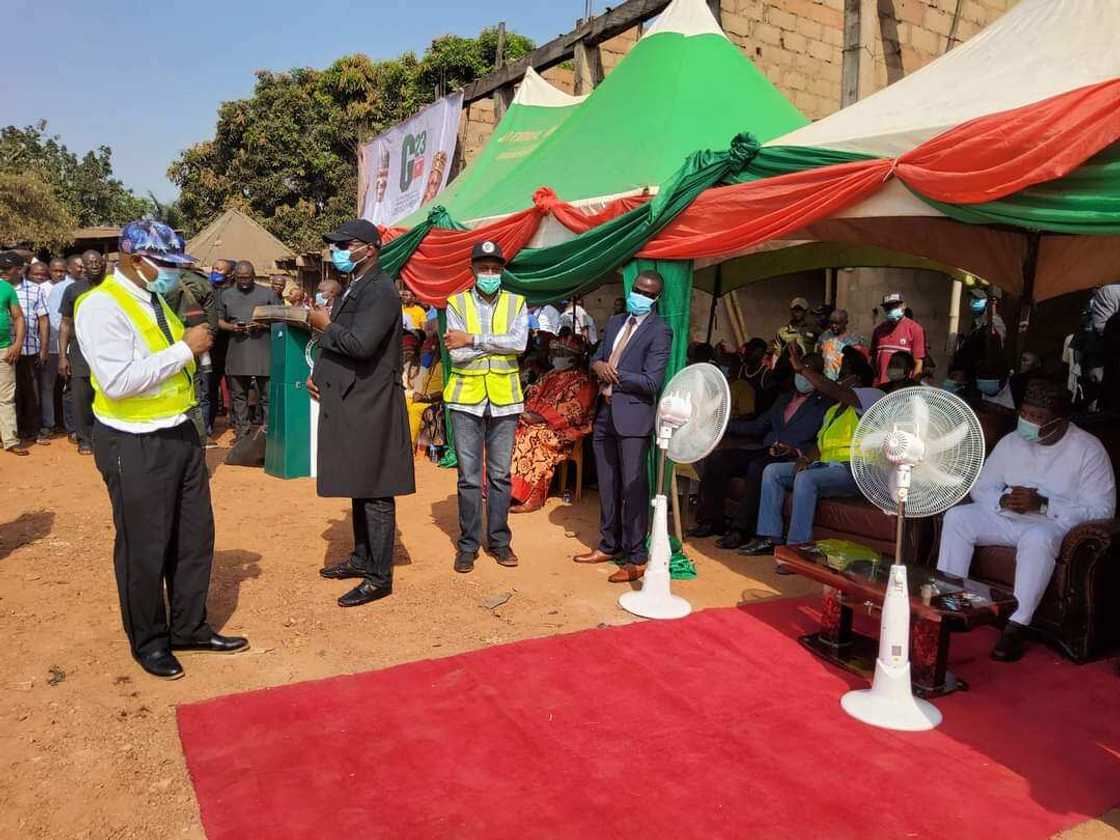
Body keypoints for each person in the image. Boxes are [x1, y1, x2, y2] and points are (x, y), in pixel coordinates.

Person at [74, 220, 248, 680]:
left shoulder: (154, 301)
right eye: (167, 264)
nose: (174, 273)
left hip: (179, 433)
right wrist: (186, 351)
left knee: (193, 539)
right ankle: (148, 640)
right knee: (144, 547)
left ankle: (189, 626)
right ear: (136, 260)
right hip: (133, 440)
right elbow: (118, 380)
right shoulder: (101, 307)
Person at [937, 380, 1116, 662]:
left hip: (1049, 525)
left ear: (1060, 421)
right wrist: (1001, 500)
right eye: (1025, 414)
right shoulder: (1011, 442)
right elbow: (981, 486)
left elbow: (1103, 509)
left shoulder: (1088, 450)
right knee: (958, 517)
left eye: (1037, 418)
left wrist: (1045, 505)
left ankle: (1016, 626)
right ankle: (952, 604)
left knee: (1037, 539)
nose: (1027, 422)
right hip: (1005, 517)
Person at [308, 219, 415, 607]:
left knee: (376, 489)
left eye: (344, 244)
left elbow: (361, 344)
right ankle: (361, 556)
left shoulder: (381, 290)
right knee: (358, 481)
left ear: (368, 248)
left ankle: (378, 576)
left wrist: (325, 324)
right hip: (352, 398)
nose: (337, 251)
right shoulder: (356, 286)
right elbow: (339, 347)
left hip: (372, 402)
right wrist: (318, 374)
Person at [741, 344, 884, 560]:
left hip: (855, 470)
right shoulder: (835, 409)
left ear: (855, 379)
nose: (837, 379)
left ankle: (797, 549)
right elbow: (820, 444)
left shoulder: (872, 397)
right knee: (772, 471)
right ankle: (769, 538)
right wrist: (805, 458)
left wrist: (801, 369)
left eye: (843, 374)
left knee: (806, 479)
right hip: (827, 467)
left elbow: (833, 389)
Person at [575, 271, 672, 583]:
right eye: (636, 289)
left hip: (633, 419)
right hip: (604, 414)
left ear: (656, 299)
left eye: (646, 293)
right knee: (607, 484)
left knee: (633, 489)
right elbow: (597, 357)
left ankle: (636, 557)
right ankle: (608, 544)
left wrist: (615, 374)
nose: (639, 296)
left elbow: (651, 381)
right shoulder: (617, 322)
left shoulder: (660, 331)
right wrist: (597, 365)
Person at [442, 240, 529, 573]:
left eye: (495, 269)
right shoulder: (456, 304)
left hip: (505, 400)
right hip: (465, 399)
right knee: (468, 477)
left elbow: (519, 344)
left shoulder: (517, 302)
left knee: (499, 476)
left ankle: (499, 542)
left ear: (502, 271)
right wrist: (495, 345)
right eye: (484, 269)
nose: (490, 274)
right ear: (473, 271)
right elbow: (456, 353)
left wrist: (474, 340)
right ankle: (467, 545)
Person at [691, 353, 835, 548]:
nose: (803, 375)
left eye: (809, 370)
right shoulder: (784, 400)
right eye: (801, 369)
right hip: (767, 448)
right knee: (719, 459)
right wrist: (721, 424)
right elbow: (758, 426)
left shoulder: (824, 405)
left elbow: (821, 439)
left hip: (792, 456)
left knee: (757, 468)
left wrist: (797, 452)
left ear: (817, 376)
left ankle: (740, 531)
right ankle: (711, 521)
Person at [509, 335, 597, 513]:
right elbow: (533, 396)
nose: (554, 357)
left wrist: (541, 417)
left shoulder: (584, 382)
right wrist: (528, 413)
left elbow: (574, 411)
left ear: (573, 358)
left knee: (533, 437)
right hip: (536, 421)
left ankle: (533, 496)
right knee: (509, 430)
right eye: (554, 353)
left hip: (564, 429)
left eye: (559, 353)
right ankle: (507, 490)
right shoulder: (550, 376)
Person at [219, 261, 280, 442]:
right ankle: (242, 434)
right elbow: (219, 321)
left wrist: (264, 324)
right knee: (239, 397)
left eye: (247, 278)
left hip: (264, 351)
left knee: (267, 396)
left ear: (254, 275)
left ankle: (269, 434)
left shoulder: (268, 293)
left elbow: (280, 318)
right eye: (240, 278)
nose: (244, 281)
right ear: (234, 276)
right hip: (237, 350)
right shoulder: (226, 295)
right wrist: (232, 327)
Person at [58, 251, 107, 454]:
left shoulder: (112, 288)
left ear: (103, 264)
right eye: (89, 262)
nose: (94, 265)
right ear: (82, 266)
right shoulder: (73, 290)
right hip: (80, 351)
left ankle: (104, 438)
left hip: (108, 350)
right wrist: (62, 356)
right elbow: (65, 324)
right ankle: (84, 439)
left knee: (106, 394)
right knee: (81, 396)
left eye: (97, 261)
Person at [166, 264, 220, 442]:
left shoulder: (153, 281)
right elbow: (211, 325)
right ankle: (200, 438)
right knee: (197, 395)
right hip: (194, 346)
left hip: (162, 346)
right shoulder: (203, 283)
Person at [13, 257, 50, 444]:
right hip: (5, 351)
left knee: (32, 393)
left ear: (20, 269)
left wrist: (43, 348)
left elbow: (43, 319)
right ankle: (13, 432)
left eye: (8, 268)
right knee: (10, 394)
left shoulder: (35, 290)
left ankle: (33, 431)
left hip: (30, 349)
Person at [0, 253, 29, 455]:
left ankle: (9, 439)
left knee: (6, 398)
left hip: (4, 349)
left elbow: (18, 317)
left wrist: (17, 343)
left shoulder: (7, 289)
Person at [871, 292, 926, 387]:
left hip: (901, 389)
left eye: (895, 307)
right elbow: (873, 359)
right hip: (881, 387)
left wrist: (912, 387)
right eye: (888, 308)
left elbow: (918, 363)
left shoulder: (915, 329)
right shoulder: (878, 330)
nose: (891, 310)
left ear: (904, 306)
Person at [206, 258, 235, 431]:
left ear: (230, 273)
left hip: (231, 345)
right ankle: (209, 423)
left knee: (234, 387)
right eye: (214, 268)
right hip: (212, 347)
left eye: (221, 270)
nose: (216, 271)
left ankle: (235, 423)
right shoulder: (206, 289)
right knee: (210, 386)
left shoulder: (234, 293)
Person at [405, 332, 444, 450]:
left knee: (415, 410)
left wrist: (426, 397)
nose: (430, 352)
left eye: (434, 349)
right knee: (404, 404)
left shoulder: (443, 367)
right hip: (424, 398)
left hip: (433, 400)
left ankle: (410, 446)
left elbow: (443, 392)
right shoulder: (431, 366)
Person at [816, 308, 865, 381]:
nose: (834, 326)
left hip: (844, 381)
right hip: (825, 380)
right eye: (832, 323)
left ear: (846, 322)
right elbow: (818, 356)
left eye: (838, 323)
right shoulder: (824, 337)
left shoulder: (854, 340)